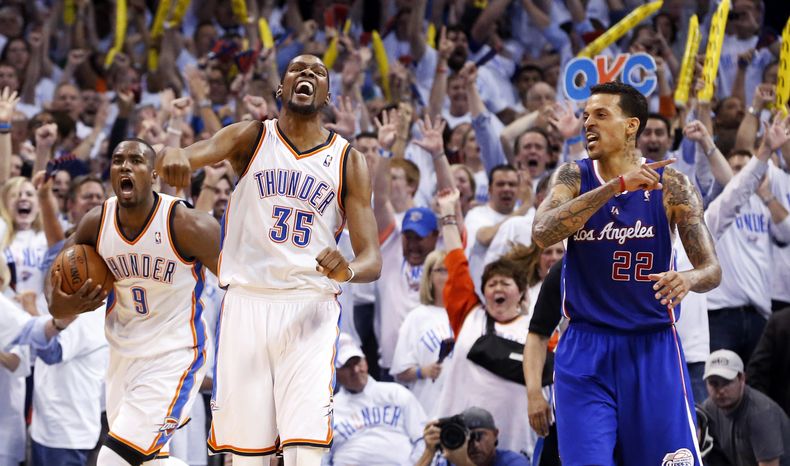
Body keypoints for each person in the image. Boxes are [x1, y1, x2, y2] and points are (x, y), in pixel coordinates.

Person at [156, 54, 382, 465]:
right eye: (298, 69)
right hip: (247, 301)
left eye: (318, 72)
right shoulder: (251, 137)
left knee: (304, 444)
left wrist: (347, 269)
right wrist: (174, 154)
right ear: (281, 88)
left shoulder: (349, 159)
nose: (307, 75)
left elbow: (372, 259)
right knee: (246, 451)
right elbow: (193, 153)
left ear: (328, 94)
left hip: (309, 305)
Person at [531, 82, 722, 464]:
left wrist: (687, 279)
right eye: (585, 116)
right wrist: (616, 187)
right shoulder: (573, 176)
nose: (588, 123)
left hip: (652, 346)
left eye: (601, 115)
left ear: (631, 125)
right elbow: (542, 232)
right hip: (586, 348)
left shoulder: (673, 184)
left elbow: (712, 270)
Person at [48, 138, 221, 466]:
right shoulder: (96, 223)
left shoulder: (186, 225)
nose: (125, 166)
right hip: (122, 359)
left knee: (113, 459)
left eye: (136, 160)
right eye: (117, 160)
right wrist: (60, 302)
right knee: (149, 461)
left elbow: (238, 284)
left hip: (175, 357)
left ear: (154, 174)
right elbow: (54, 283)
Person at [434, 188, 536, 456]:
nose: (497, 288)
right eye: (491, 284)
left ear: (522, 293)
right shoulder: (469, 314)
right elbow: (456, 261)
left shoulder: (538, 331)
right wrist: (447, 213)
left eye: (505, 283)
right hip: (459, 447)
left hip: (514, 449)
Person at [329, 333, 427, 465]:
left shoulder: (395, 393)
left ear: (366, 361)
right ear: (334, 372)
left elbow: (423, 439)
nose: (356, 370)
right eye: (347, 366)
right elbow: (322, 459)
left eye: (358, 361)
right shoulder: (329, 412)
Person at [390, 249, 453, 416]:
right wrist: (422, 371)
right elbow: (400, 372)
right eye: (441, 270)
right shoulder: (417, 318)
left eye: (452, 269)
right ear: (429, 277)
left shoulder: (467, 315)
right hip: (427, 410)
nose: (448, 275)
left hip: (460, 410)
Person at [701, 349, 790, 466]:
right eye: (714, 383)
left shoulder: (761, 413)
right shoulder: (708, 409)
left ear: (742, 378)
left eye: (727, 382)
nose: (721, 391)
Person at [418, 407, 529, 466]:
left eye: (480, 436)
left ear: (495, 434)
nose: (475, 444)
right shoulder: (450, 460)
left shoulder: (514, 461)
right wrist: (429, 452)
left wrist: (463, 463)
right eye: (468, 437)